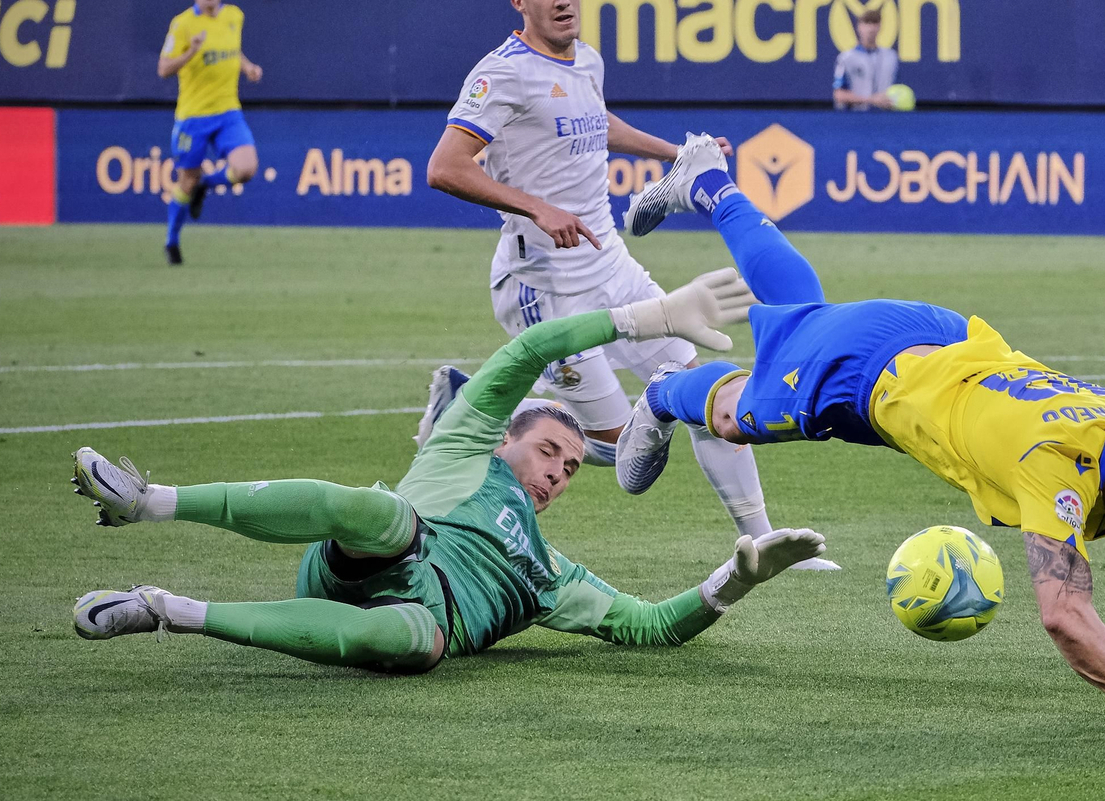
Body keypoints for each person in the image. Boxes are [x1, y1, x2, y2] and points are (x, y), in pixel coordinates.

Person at [617, 135, 1105, 718]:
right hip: (867, 369)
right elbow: (1064, 615)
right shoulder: (1058, 465)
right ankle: (661, 391)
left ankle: (711, 179)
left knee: (799, 308)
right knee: (740, 415)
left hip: (937, 341)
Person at [70, 269, 828, 674]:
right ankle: (148, 500)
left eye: (570, 468)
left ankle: (166, 608)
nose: (560, 473)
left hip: (416, 619)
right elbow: (531, 353)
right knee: (390, 517)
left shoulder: (552, 575)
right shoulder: (469, 446)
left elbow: (650, 627)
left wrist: (735, 583)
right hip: (356, 562)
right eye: (548, 453)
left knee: (419, 642)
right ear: (506, 441)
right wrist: (648, 318)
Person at [425, 0, 836, 569]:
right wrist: (534, 206)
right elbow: (445, 167)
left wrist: (674, 154)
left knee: (707, 391)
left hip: (611, 264)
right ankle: (465, 403)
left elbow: (600, 123)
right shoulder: (501, 73)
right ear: (519, 1)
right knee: (620, 451)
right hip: (543, 283)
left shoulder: (585, 60)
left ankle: (766, 541)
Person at [157, 0, 264, 265]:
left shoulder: (234, 16)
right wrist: (191, 52)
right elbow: (163, 69)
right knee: (186, 182)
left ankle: (208, 183)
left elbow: (233, 50)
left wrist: (248, 67)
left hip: (228, 112)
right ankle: (172, 241)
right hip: (193, 118)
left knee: (246, 169)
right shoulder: (182, 25)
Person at [832, 10, 898, 111]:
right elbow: (839, 94)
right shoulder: (846, 58)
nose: (871, 29)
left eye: (875, 24)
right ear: (858, 27)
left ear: (880, 26)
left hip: (885, 117)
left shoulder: (890, 57)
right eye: (867, 23)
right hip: (857, 117)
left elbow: (897, 88)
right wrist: (870, 100)